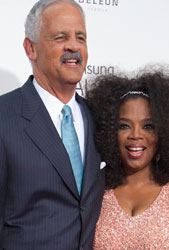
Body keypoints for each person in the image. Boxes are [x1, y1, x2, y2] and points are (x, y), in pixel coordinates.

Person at [0, 0, 105, 249]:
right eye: (60, 37)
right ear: (30, 49)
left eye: (81, 37)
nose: (73, 46)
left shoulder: (99, 118)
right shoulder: (4, 117)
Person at [86, 70, 169, 249]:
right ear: (107, 133)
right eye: (124, 126)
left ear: (167, 132)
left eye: (148, 126)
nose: (136, 135)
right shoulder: (96, 191)